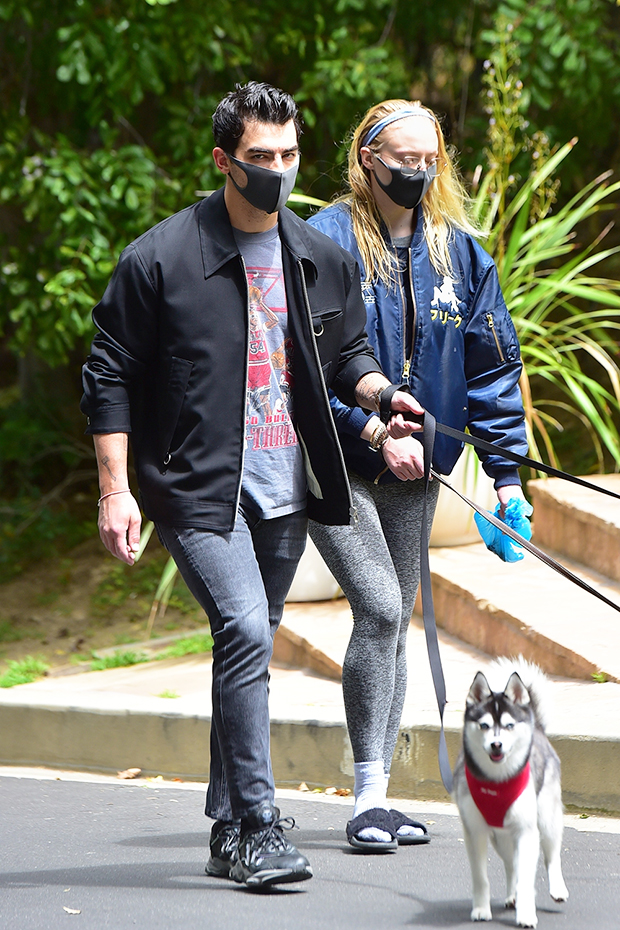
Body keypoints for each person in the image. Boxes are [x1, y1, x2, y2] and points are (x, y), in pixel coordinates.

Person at [80, 83, 426, 887]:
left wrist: (383, 398)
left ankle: (225, 822)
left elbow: (347, 358)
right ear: (223, 162)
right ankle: (260, 827)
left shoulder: (319, 256)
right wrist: (114, 488)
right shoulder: (161, 258)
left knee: (249, 643)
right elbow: (109, 374)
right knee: (242, 628)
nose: (277, 170)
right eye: (259, 158)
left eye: (289, 155)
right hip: (198, 489)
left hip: (285, 488)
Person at [306, 99, 529, 851]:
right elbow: (301, 367)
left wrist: (507, 483)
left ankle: (379, 795)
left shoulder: (459, 255)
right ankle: (366, 795)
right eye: (405, 160)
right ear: (368, 159)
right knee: (376, 607)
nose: (420, 173)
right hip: (337, 461)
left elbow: (493, 370)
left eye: (432, 160)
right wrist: (367, 426)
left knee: (393, 619)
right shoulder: (323, 243)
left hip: (418, 467)